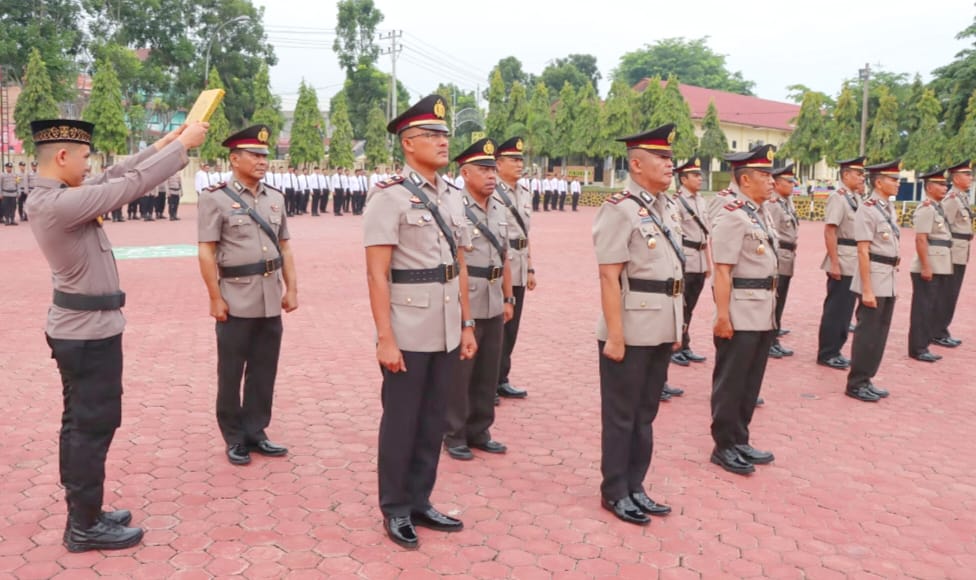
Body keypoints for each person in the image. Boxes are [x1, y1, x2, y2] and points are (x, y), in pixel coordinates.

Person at [27, 118, 208, 552]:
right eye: (86, 157)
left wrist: (164, 141)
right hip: (87, 335)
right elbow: (125, 187)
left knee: (87, 424)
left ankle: (87, 513)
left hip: (89, 331)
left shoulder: (62, 197)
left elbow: (114, 176)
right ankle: (84, 526)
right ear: (64, 157)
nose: (92, 166)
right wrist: (183, 145)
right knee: (90, 427)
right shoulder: (55, 204)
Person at [363, 94, 476, 549]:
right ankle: (394, 507)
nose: (443, 142)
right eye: (433, 135)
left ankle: (420, 500)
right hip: (408, 328)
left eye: (446, 134)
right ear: (409, 143)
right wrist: (384, 338)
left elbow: (460, 264)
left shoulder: (452, 195)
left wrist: (467, 325)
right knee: (403, 420)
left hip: (448, 325)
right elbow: (376, 272)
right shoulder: (389, 197)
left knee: (433, 420)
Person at [592, 124, 681, 524]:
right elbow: (609, 276)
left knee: (646, 413)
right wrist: (615, 334)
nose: (669, 164)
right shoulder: (619, 208)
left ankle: (636, 485)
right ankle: (614, 490)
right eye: (661, 158)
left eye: (669, 157)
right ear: (636, 163)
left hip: (660, 325)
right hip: (628, 329)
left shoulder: (667, 206)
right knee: (622, 415)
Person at [197, 125, 297, 466]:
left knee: (264, 369)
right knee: (231, 372)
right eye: (254, 155)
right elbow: (206, 251)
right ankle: (234, 436)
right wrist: (214, 297)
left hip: (270, 296)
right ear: (234, 158)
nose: (262, 161)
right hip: (236, 297)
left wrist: (292, 287)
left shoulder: (275, 198)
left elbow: (285, 245)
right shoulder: (215, 198)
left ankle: (257, 431)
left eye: (265, 156)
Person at [443, 138, 515, 460]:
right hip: (465, 296)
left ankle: (480, 429)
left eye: (492, 169)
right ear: (465, 173)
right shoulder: (452, 206)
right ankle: (454, 434)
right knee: (462, 372)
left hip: (494, 298)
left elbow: (506, 256)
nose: (491, 176)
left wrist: (509, 297)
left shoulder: (500, 207)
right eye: (483, 169)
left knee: (488, 368)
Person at [709, 144, 778, 476]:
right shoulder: (733, 215)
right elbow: (722, 270)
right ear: (746, 179)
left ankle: (741, 438)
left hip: (763, 310)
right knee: (732, 381)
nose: (771, 181)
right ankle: (723, 445)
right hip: (740, 310)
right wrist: (723, 316)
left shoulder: (760, 213)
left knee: (751, 381)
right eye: (765, 175)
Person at [845, 160, 902, 401]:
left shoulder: (888, 208)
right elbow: (863, 251)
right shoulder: (868, 209)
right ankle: (856, 383)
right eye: (893, 179)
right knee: (867, 333)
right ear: (879, 182)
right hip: (874, 278)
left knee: (880, 333)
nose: (898, 184)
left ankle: (867, 378)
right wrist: (867, 289)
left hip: (887, 277)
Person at [494, 137, 535, 401]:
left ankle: (501, 378)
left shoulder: (524, 193)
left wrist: (530, 268)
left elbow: (526, 234)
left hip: (519, 267)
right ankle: (487, 381)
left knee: (512, 328)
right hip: (499, 269)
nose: (519, 164)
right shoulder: (492, 192)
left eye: (521, 159)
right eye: (513, 160)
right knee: (496, 327)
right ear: (498, 164)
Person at [816, 157, 867, 370]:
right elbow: (830, 231)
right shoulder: (838, 198)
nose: (862, 178)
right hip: (843, 258)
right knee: (836, 309)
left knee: (846, 310)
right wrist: (834, 262)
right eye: (858, 174)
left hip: (854, 259)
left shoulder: (855, 197)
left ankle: (836, 349)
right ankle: (827, 352)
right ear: (846, 175)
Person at [908, 168, 952, 363]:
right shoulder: (926, 208)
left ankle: (924, 343)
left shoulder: (937, 207)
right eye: (941, 184)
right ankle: (918, 348)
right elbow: (921, 239)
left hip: (940, 263)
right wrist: (926, 266)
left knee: (931, 306)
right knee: (923, 308)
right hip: (929, 265)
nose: (945, 187)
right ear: (929, 187)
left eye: (946, 184)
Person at [671, 156, 711, 366]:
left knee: (691, 307)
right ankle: (674, 347)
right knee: (681, 307)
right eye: (695, 175)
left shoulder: (702, 200)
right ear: (683, 179)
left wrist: (709, 264)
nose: (699, 179)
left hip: (700, 260)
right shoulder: (676, 202)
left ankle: (685, 345)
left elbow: (706, 236)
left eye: (700, 175)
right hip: (685, 259)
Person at [933, 160, 972, 347]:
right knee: (947, 293)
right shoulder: (951, 199)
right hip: (952, 250)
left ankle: (942, 328)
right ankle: (938, 331)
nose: (971, 178)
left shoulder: (962, 197)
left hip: (961, 249)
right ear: (956, 178)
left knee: (952, 293)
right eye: (967, 175)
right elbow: (943, 225)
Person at [766, 164, 799, 358]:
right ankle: (770, 340)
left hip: (788, 257)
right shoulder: (773, 204)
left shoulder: (786, 202)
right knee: (774, 301)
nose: (792, 185)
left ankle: (774, 337)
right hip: (779, 257)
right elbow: (772, 236)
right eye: (788, 182)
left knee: (780, 301)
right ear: (777, 184)